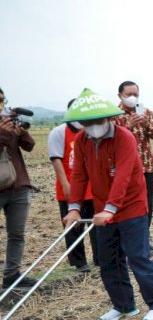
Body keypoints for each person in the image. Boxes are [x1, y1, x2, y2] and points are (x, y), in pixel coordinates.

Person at [61, 88, 153, 320]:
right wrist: (74, 207)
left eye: (97, 121)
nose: (92, 126)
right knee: (108, 260)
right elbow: (79, 175)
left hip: (131, 207)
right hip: (103, 209)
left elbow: (123, 175)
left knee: (138, 257)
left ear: (108, 118)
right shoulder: (82, 141)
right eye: (87, 123)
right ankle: (123, 306)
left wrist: (111, 208)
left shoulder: (124, 138)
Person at [48, 98, 98, 273]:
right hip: (70, 187)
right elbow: (56, 159)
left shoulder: (91, 131)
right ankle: (79, 262)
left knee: (97, 225)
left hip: (93, 188)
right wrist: (65, 184)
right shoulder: (59, 132)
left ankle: (100, 258)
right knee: (73, 225)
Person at [0, 87, 37, 289]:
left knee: (17, 234)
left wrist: (22, 133)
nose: (2, 105)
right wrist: (3, 134)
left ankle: (12, 275)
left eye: (3, 100)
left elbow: (29, 147)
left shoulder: (8, 121)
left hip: (19, 186)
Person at [113, 81, 153, 236]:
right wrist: (128, 127)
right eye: (129, 95)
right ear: (120, 95)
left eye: (136, 95)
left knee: (147, 204)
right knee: (128, 205)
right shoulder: (114, 115)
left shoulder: (146, 112)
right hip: (126, 169)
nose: (133, 97)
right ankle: (128, 240)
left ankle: (145, 239)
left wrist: (146, 125)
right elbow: (112, 141)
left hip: (146, 165)